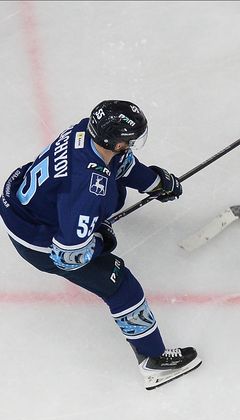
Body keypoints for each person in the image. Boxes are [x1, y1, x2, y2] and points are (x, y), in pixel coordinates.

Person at [1, 100, 201, 389]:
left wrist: (156, 183)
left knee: (114, 191)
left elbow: (120, 164)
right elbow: (69, 256)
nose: (131, 145)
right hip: (40, 241)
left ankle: (85, 223)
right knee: (121, 285)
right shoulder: (87, 186)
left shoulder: (86, 132)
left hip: (31, 206)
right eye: (129, 140)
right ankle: (153, 361)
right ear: (115, 141)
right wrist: (100, 239)